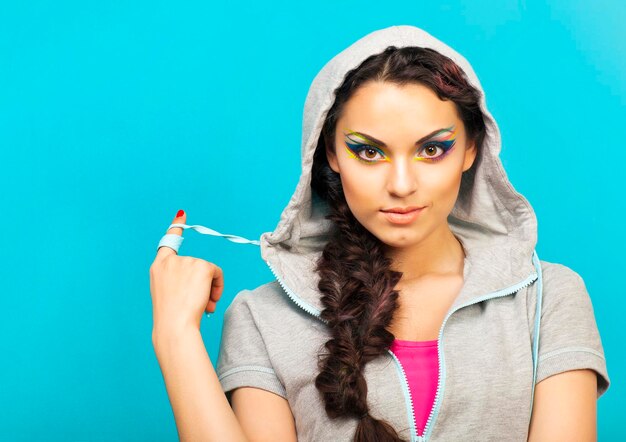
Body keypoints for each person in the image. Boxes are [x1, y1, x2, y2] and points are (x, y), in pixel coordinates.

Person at [149, 25, 610, 442]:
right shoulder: (262, 317)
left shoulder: (548, 298)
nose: (402, 184)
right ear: (328, 153)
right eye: (369, 152)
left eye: (432, 149)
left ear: (472, 148)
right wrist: (175, 336)